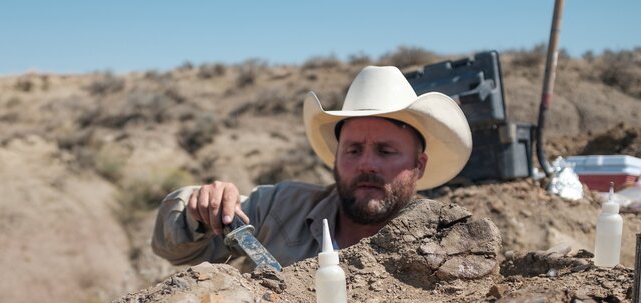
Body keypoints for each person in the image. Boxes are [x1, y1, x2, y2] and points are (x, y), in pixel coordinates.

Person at [152, 65, 472, 269]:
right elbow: (177, 252)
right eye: (353, 150)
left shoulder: (445, 250)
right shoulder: (279, 208)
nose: (366, 164)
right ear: (335, 158)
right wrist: (199, 208)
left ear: (419, 165)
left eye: (386, 151)